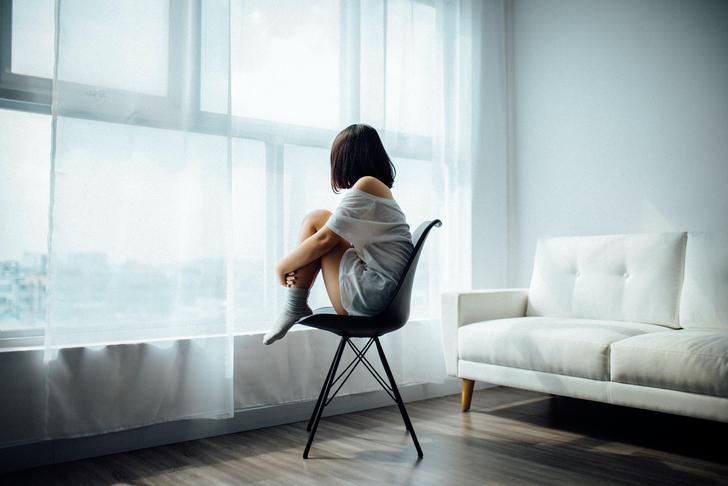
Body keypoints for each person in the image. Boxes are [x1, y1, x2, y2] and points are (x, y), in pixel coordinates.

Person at [263, 124, 414, 345]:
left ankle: (294, 305)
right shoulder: (378, 190)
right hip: (382, 297)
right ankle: (294, 304)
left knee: (317, 221)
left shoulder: (367, 184)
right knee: (320, 219)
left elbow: (325, 240)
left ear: (346, 159)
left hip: (373, 299)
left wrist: (281, 267)